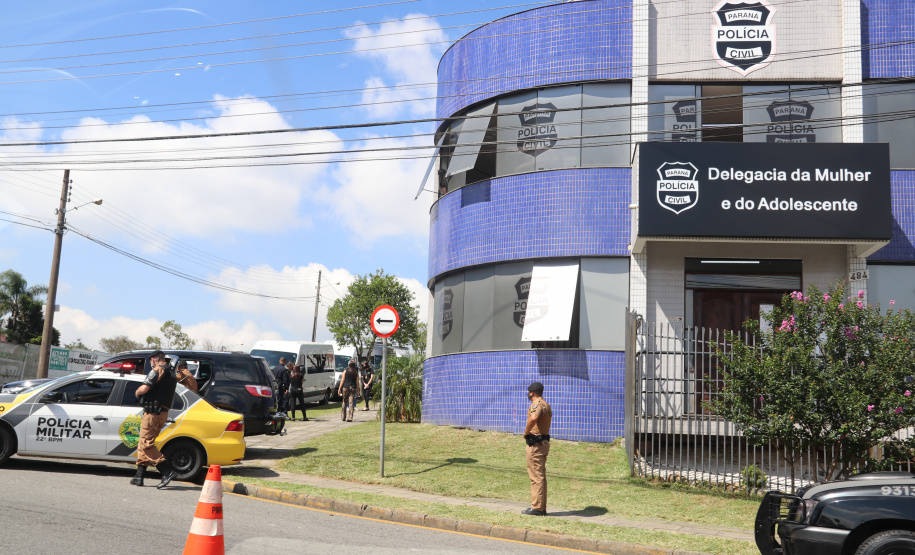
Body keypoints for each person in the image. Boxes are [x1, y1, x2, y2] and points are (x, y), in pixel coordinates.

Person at [129, 350, 178, 489]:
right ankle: (139, 476)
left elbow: (144, 389)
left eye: (151, 360)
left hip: (152, 414)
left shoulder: (157, 370)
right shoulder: (171, 373)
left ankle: (166, 471)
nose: (150, 363)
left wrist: (137, 392)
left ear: (154, 359)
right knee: (144, 443)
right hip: (162, 414)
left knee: (146, 444)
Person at [522, 382, 552, 516]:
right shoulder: (546, 404)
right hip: (543, 443)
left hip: (536, 445)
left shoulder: (537, 404)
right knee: (540, 476)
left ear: (531, 392)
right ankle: (541, 507)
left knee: (536, 476)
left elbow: (533, 417)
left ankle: (537, 508)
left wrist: (526, 432)